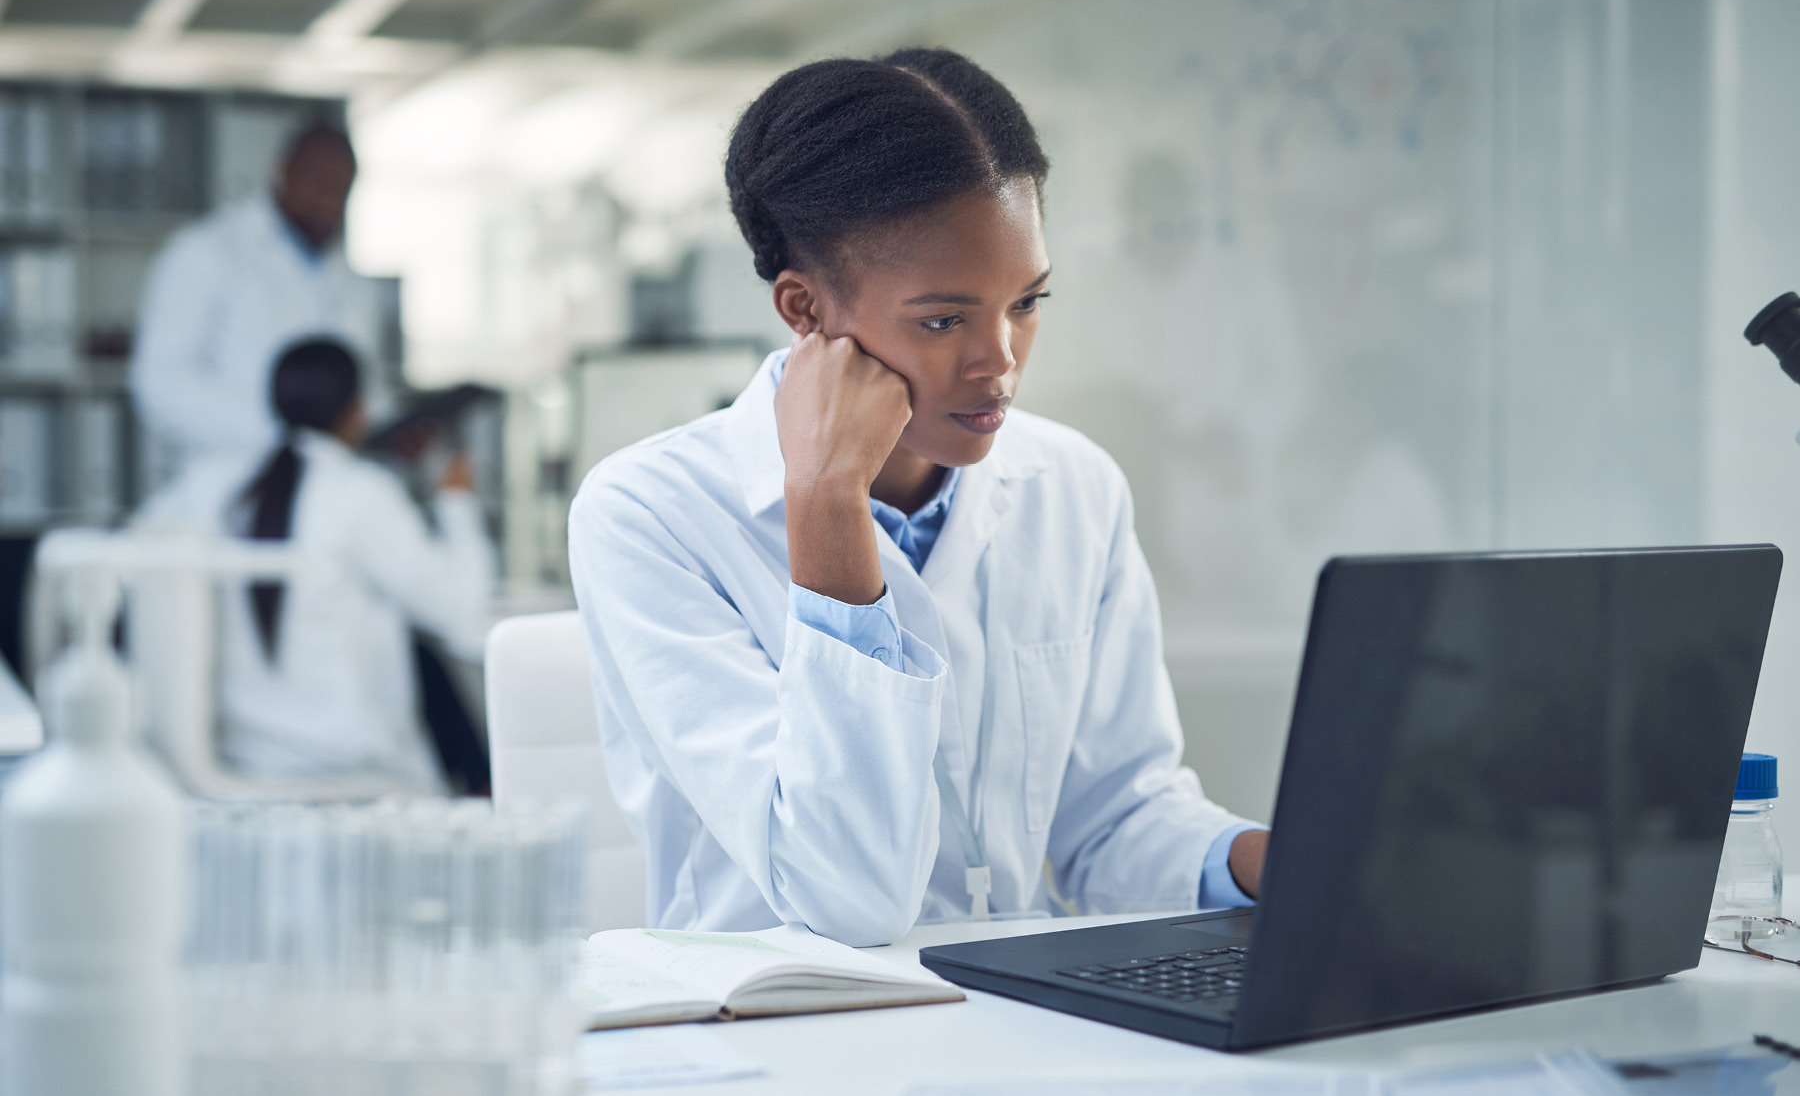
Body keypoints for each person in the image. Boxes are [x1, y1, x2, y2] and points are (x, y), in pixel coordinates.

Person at [569, 49, 1271, 947]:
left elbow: (1110, 823)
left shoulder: (1075, 489)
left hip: (1020, 1024)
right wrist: (826, 502)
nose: (1000, 360)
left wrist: (1265, 858)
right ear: (804, 309)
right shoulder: (649, 515)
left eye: (1027, 302)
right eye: (945, 320)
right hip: (777, 1041)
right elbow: (844, 898)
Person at [136, 338, 493, 788]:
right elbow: (461, 612)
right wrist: (456, 503)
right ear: (358, 410)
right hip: (354, 779)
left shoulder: (208, 485)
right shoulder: (362, 494)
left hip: (238, 770)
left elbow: (133, 550)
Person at [131, 124, 384, 471]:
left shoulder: (352, 280)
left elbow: (362, 386)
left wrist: (386, 427)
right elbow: (160, 384)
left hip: (328, 488)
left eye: (342, 189)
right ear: (282, 172)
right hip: (233, 480)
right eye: (320, 183)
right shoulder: (205, 252)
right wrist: (281, 429)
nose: (329, 200)